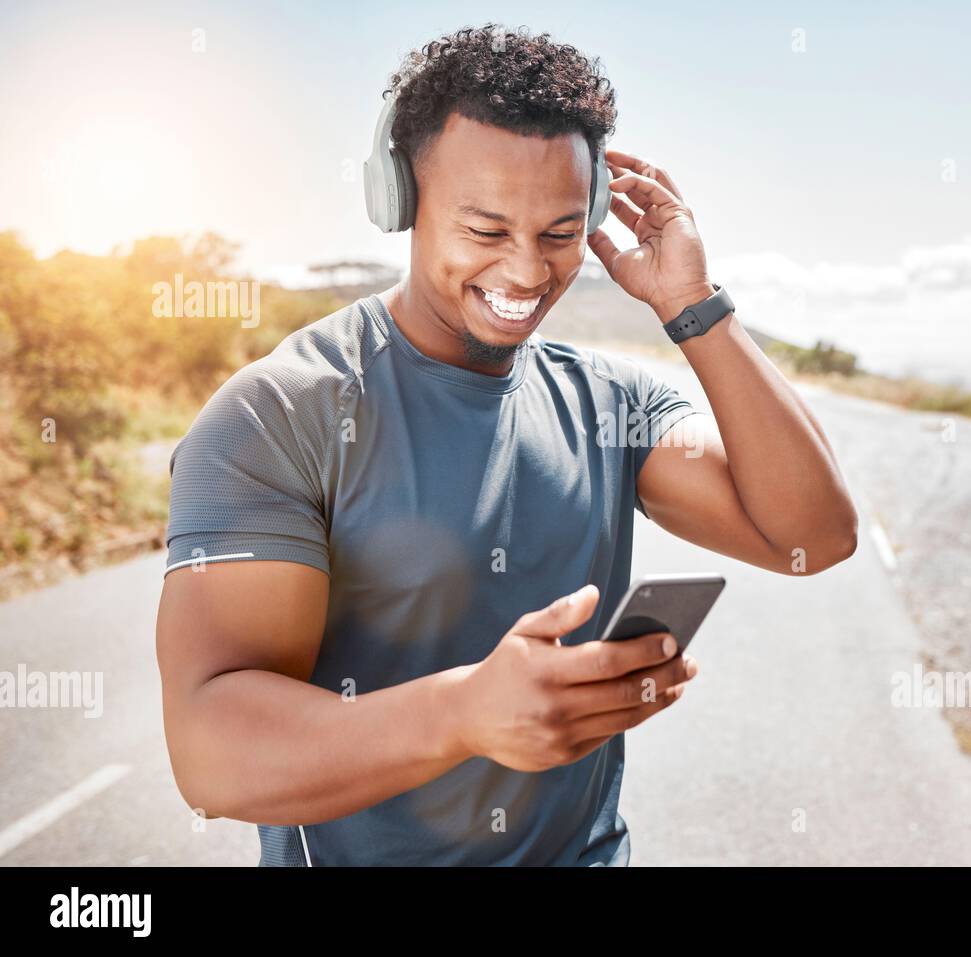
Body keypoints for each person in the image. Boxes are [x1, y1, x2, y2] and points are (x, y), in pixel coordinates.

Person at [155, 22, 858, 866]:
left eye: (561, 234)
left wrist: (693, 306)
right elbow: (208, 755)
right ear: (401, 202)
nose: (527, 272)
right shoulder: (277, 414)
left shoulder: (612, 402)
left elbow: (812, 537)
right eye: (486, 231)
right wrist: (464, 715)